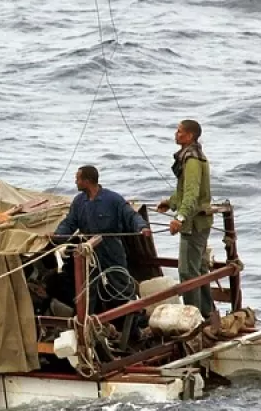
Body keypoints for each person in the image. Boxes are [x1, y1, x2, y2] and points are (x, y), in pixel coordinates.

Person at [55, 165, 152, 312]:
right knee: (87, 289)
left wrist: (142, 227)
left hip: (111, 249)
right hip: (89, 251)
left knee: (121, 286)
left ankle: (135, 325)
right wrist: (58, 235)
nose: (75, 182)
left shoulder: (113, 199)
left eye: (77, 179)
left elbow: (130, 215)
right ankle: (88, 324)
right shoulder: (79, 202)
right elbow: (69, 222)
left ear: (87, 181)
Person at [156, 119, 214, 319]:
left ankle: (193, 318)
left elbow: (191, 194)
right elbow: (183, 193)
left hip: (193, 224)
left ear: (189, 136)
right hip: (198, 222)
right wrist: (170, 202)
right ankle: (208, 313)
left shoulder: (191, 160)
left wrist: (179, 218)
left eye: (179, 131)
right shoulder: (194, 156)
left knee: (187, 271)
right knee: (199, 268)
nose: (176, 134)